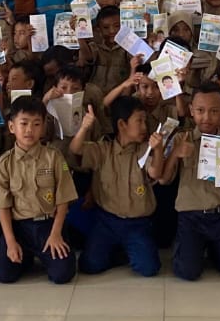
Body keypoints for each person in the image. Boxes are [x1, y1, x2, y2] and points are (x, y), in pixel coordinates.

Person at [160, 83, 220, 281]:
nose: (207, 117)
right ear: (191, 110)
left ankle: (216, 250)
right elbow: (164, 179)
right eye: (200, 110)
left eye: (214, 111)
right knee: (187, 272)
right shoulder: (181, 139)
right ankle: (193, 247)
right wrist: (175, 154)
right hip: (190, 217)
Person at [69, 97, 165, 277]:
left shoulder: (144, 149)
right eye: (139, 121)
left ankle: (128, 249)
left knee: (148, 268)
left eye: (145, 121)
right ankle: (120, 251)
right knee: (89, 265)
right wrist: (84, 127)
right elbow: (75, 150)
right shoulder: (103, 149)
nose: (144, 127)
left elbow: (155, 173)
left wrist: (158, 150)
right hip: (107, 221)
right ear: (122, 124)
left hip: (138, 223)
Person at [0, 96, 78, 284]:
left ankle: (43, 253)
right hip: (19, 227)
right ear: (12, 127)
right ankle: (26, 257)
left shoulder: (54, 157)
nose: (30, 130)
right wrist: (10, 241)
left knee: (62, 274)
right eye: (24, 123)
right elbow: (2, 205)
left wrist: (56, 234)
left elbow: (64, 199)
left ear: (43, 127)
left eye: (36, 124)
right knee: (3, 275)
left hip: (48, 225)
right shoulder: (5, 163)